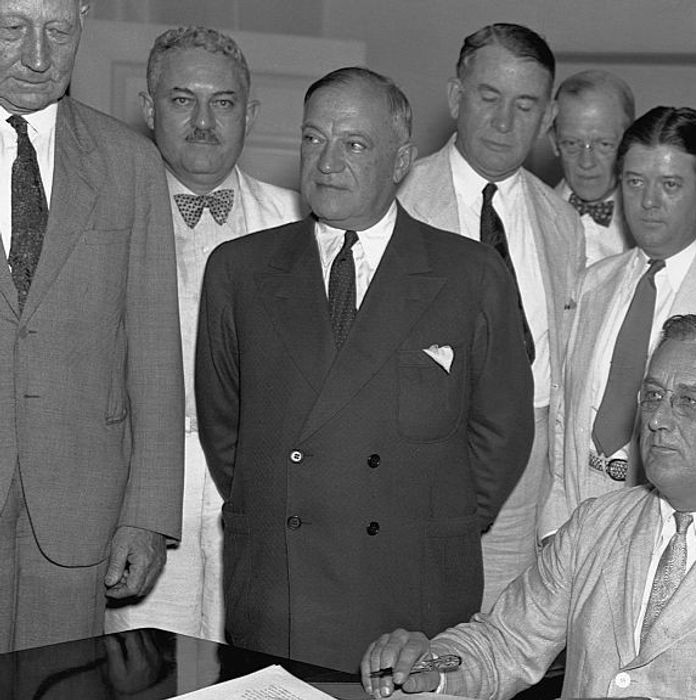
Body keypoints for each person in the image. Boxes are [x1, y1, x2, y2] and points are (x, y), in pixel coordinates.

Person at [195, 67, 533, 671]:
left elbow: (503, 432)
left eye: (353, 144)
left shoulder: (470, 274)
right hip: (281, 588)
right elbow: (226, 429)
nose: (327, 162)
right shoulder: (240, 271)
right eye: (313, 138)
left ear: (401, 161)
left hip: (411, 586)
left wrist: (434, 524)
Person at [363, 314, 696, 700]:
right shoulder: (596, 523)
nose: (658, 419)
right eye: (653, 395)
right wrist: (430, 668)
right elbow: (503, 644)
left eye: (689, 401)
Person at [105, 25, 301, 644]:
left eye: (223, 102)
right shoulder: (105, 218)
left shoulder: (299, 218)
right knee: (138, 663)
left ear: (250, 114)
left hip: (258, 482)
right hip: (140, 482)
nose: (203, 122)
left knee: (253, 664)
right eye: (182, 100)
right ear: (148, 108)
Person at [0, 0, 183, 652]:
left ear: (83, 20)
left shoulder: (129, 162)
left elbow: (155, 352)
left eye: (58, 30)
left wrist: (148, 515)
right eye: (13, 28)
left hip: (79, 507)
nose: (38, 57)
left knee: (60, 683)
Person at [396, 23, 584, 611]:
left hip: (528, 466)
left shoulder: (562, 221)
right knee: (410, 628)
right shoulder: (396, 198)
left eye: (525, 105)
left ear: (547, 116)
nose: (505, 122)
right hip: (416, 459)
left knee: (501, 639)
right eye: (488, 97)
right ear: (456, 97)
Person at [540, 106, 696, 537]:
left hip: (670, 527)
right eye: (635, 182)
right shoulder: (592, 283)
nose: (649, 201)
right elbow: (562, 420)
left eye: (670, 185)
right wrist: (552, 526)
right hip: (572, 520)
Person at [551, 69, 634, 264]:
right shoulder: (529, 217)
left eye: (604, 144)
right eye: (572, 143)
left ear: (630, 143)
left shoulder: (651, 223)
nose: (586, 162)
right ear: (554, 142)